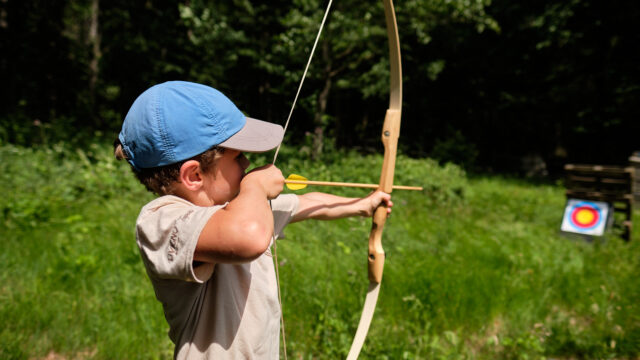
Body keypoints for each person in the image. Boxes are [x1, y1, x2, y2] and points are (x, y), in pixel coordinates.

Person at [114, 81, 392, 359]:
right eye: (238, 157)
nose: (248, 165)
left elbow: (308, 204)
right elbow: (248, 237)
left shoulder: (239, 206)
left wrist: (363, 205)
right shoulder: (161, 220)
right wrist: (256, 187)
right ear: (194, 176)